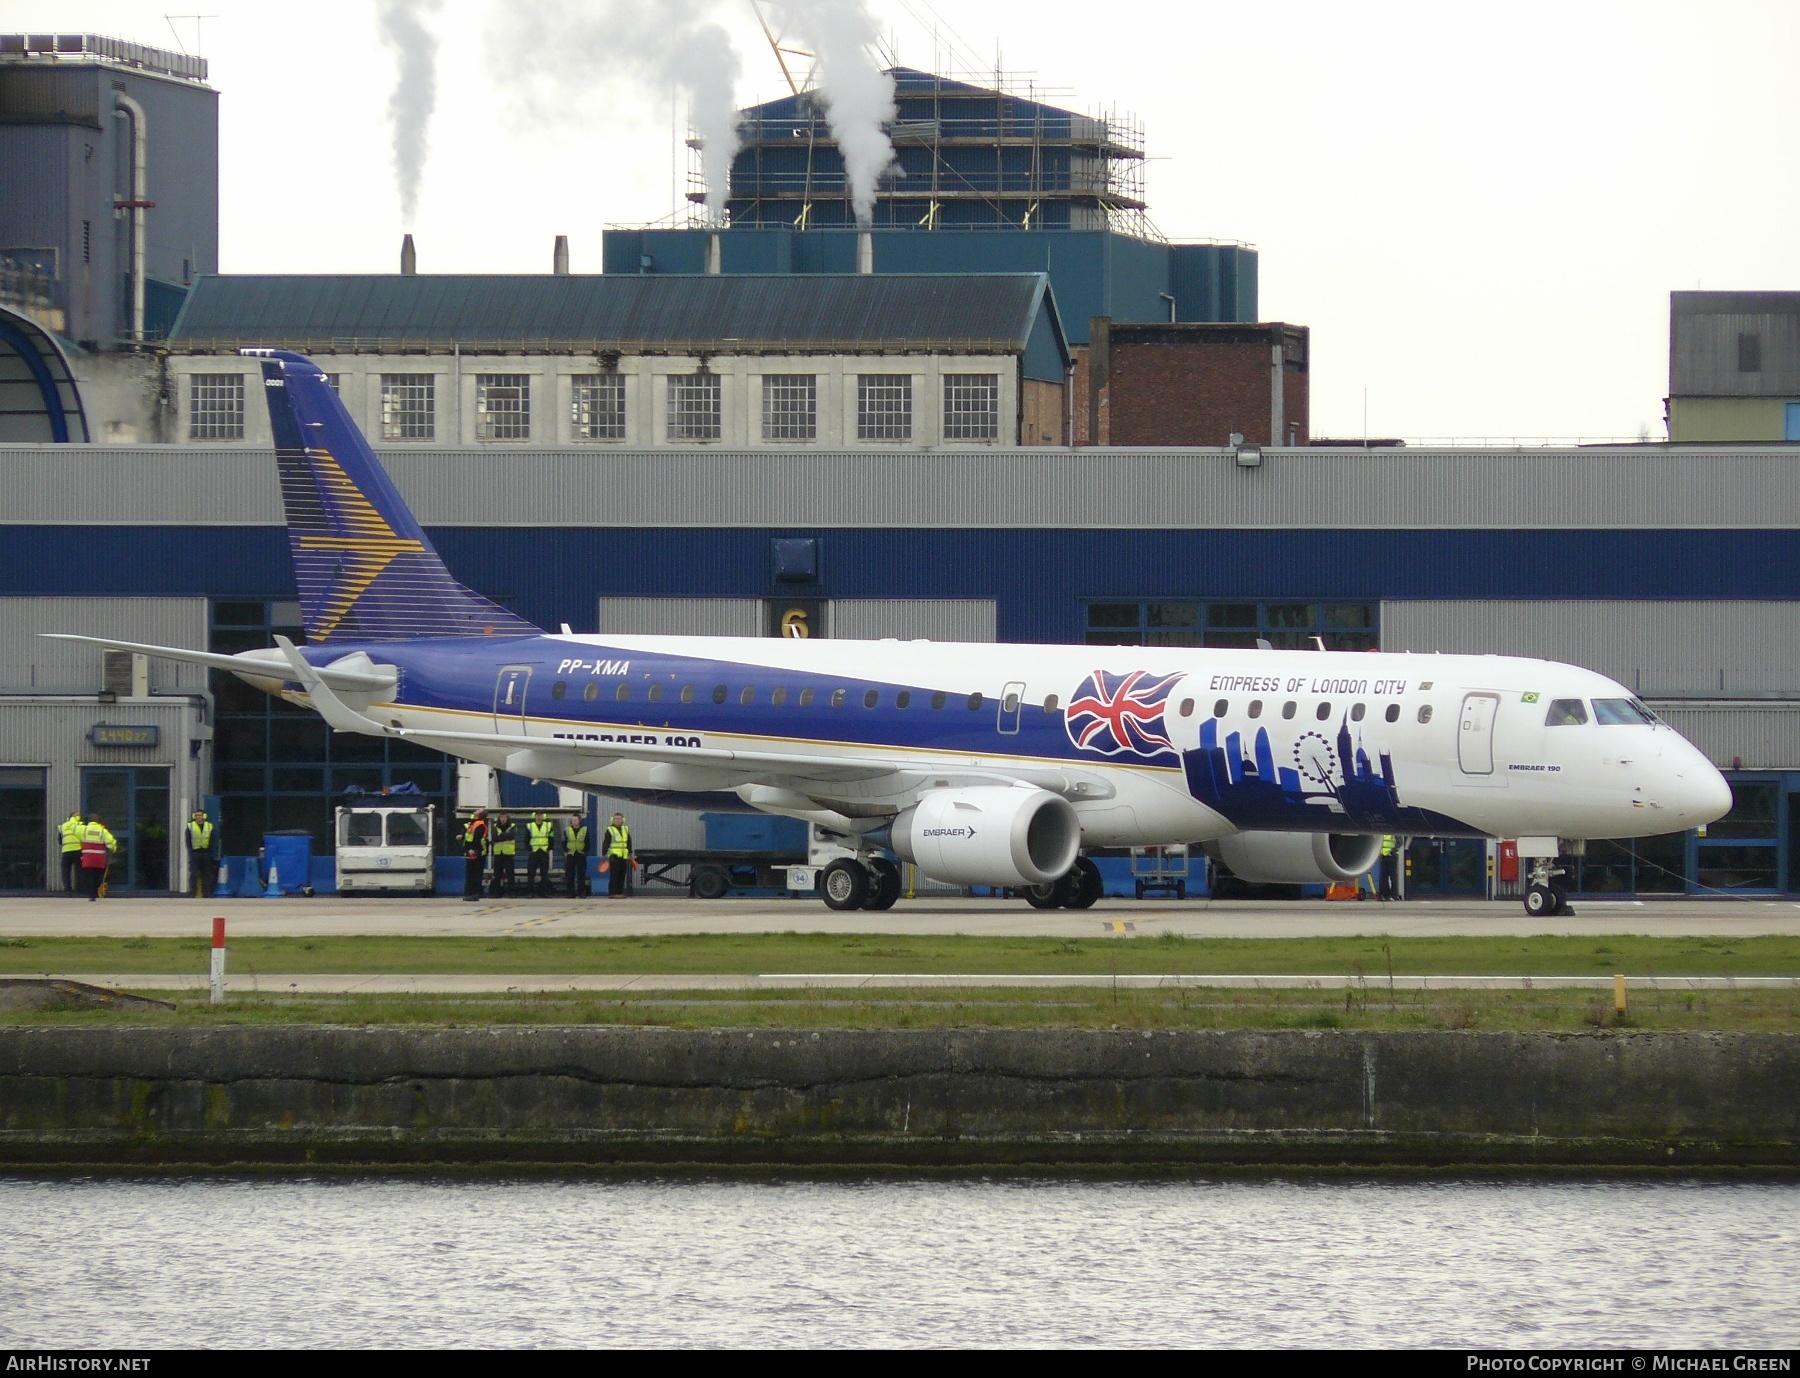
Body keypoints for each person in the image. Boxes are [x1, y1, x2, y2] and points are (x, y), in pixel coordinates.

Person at [79, 815, 117, 901]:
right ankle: (96, 892)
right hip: (99, 858)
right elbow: (111, 842)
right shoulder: (103, 831)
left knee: (88, 876)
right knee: (97, 876)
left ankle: (90, 894)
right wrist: (114, 849)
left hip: (87, 858)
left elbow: (75, 834)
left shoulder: (83, 829)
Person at [186, 809, 217, 898]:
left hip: (206, 853)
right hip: (195, 853)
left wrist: (210, 852)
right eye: (197, 815)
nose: (198, 817)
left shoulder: (209, 826)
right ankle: (193, 892)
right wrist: (191, 852)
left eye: (200, 815)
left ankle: (206, 893)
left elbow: (212, 840)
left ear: (204, 816)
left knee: (207, 874)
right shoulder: (190, 826)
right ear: (194, 817)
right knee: (194, 874)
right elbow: (188, 840)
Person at [461, 808, 490, 902]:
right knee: (470, 873)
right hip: (471, 852)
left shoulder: (480, 824)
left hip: (477, 853)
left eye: (478, 810)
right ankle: (469, 893)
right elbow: (469, 837)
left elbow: (477, 839)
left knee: (476, 874)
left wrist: (473, 849)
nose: (475, 810)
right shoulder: (473, 823)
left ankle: (475, 894)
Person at [603, 810, 632, 899]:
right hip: (614, 856)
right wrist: (604, 853)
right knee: (614, 875)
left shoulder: (625, 829)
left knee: (621, 875)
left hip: (623, 856)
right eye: (615, 819)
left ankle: (619, 892)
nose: (617, 820)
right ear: (613, 820)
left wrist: (630, 853)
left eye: (619, 819)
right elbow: (606, 842)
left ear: (623, 820)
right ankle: (613, 893)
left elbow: (628, 842)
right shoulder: (610, 830)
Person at [526, 810, 554, 897]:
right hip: (534, 852)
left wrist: (549, 847)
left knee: (544, 873)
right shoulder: (530, 826)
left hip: (543, 851)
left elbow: (551, 837)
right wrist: (529, 848)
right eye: (537, 815)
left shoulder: (548, 826)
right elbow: (526, 838)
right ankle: (530, 892)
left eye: (540, 815)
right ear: (535, 816)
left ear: (543, 816)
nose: (539, 817)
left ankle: (544, 892)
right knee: (531, 873)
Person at [489, 811, 517, 896]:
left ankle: (511, 892)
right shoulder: (495, 826)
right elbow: (495, 838)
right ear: (499, 818)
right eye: (501, 817)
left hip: (508, 854)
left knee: (510, 874)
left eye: (504, 817)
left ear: (507, 818)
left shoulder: (512, 826)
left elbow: (511, 836)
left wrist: (501, 836)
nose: (503, 819)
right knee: (497, 874)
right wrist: (505, 836)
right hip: (498, 854)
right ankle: (496, 893)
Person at [563, 811, 591, 898]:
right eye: (573, 820)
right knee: (569, 875)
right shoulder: (567, 830)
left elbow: (588, 842)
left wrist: (584, 850)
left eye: (575, 820)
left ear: (579, 821)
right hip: (571, 854)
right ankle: (570, 893)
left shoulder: (584, 829)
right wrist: (566, 850)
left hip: (580, 854)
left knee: (581, 875)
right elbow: (564, 841)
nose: (574, 822)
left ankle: (581, 892)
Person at [59, 808, 84, 897]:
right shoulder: (80, 826)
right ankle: (79, 890)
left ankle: (68, 891)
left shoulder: (63, 826)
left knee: (65, 871)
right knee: (79, 871)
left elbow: (60, 841)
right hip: (78, 851)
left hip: (66, 851)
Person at [1379, 834, 1398, 901]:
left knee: (1393, 876)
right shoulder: (1382, 832)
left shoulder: (1394, 830)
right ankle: (1385, 895)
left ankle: (1394, 895)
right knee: (1383, 877)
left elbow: (1400, 841)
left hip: (1391, 855)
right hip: (1383, 855)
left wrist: (1393, 851)